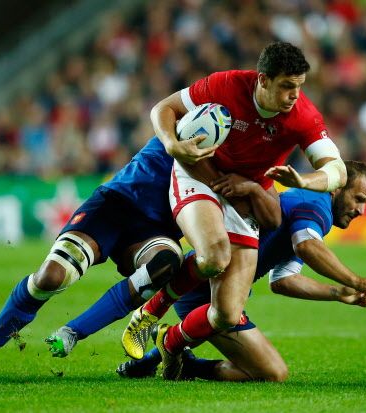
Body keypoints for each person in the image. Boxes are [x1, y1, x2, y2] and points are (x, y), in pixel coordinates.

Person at [121, 42, 349, 380]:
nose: (294, 95)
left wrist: (304, 179)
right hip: (199, 174)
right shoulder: (225, 85)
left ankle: (170, 344)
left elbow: (338, 171)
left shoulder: (302, 116)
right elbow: (164, 108)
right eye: (287, 86)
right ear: (263, 80)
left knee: (227, 313)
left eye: (299, 86)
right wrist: (171, 144)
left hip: (242, 194)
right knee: (214, 255)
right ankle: (149, 312)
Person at [51, 161, 366, 381]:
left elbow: (283, 281)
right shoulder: (317, 204)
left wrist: (340, 294)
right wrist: (355, 279)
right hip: (209, 294)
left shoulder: (310, 213)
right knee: (272, 372)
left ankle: (165, 358)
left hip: (204, 287)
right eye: (359, 200)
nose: (361, 211)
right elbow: (307, 246)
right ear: (337, 188)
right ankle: (173, 347)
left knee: (270, 370)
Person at [0, 137, 185, 382]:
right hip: (116, 203)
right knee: (49, 278)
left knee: (166, 263)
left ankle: (72, 332)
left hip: (158, 228)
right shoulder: (185, 115)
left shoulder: (227, 165)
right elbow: (163, 111)